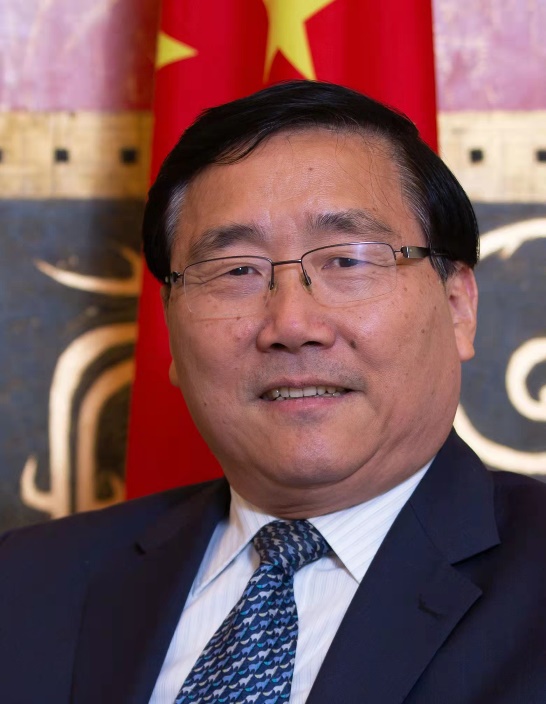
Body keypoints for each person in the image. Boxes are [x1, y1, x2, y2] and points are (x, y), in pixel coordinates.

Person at [1, 81, 545, 704]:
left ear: (456, 306)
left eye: (347, 261)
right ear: (170, 327)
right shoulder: (25, 585)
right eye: (235, 270)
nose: (291, 325)